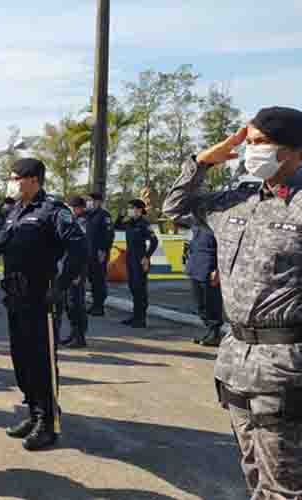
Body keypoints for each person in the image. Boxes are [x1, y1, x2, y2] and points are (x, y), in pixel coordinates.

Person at [163, 106, 302, 499]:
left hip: (286, 365)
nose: (251, 150)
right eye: (249, 142)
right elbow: (175, 208)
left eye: (261, 142)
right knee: (253, 470)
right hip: (235, 358)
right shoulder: (235, 201)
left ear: (294, 150)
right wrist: (202, 162)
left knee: (284, 484)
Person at [0, 158, 86, 451]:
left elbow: (78, 247)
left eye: (15, 178)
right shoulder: (15, 210)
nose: (12, 183)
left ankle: (48, 423)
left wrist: (61, 285)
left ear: (32, 179)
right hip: (15, 296)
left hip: (41, 297)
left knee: (41, 361)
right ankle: (33, 411)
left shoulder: (53, 210)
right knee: (21, 360)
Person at [114, 199, 158, 328]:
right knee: (133, 287)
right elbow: (117, 226)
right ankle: (135, 315)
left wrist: (147, 257)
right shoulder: (129, 223)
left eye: (131, 208)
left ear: (139, 210)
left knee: (140, 289)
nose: (129, 210)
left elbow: (154, 241)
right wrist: (120, 215)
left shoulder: (144, 224)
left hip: (140, 259)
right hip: (130, 258)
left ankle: (141, 319)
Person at [54, 196, 89, 348]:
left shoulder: (84, 222)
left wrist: (78, 273)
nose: (71, 210)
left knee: (76, 303)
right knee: (69, 304)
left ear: (80, 208)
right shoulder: (72, 221)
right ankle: (74, 334)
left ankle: (79, 337)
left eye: (73, 208)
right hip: (68, 267)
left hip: (77, 268)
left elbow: (83, 249)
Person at [185, 221, 224, 347]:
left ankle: (215, 333)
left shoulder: (216, 224)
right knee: (199, 305)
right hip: (195, 268)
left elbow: (224, 249)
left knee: (211, 303)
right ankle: (209, 330)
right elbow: (188, 244)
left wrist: (218, 269)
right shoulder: (195, 225)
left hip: (209, 269)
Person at [84, 192, 115, 316]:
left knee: (99, 279)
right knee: (92, 279)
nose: (89, 202)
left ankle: (99, 306)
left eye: (91, 200)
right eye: (88, 200)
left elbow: (109, 235)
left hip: (99, 253)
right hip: (89, 253)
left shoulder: (104, 215)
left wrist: (103, 250)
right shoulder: (89, 215)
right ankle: (95, 304)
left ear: (98, 202)